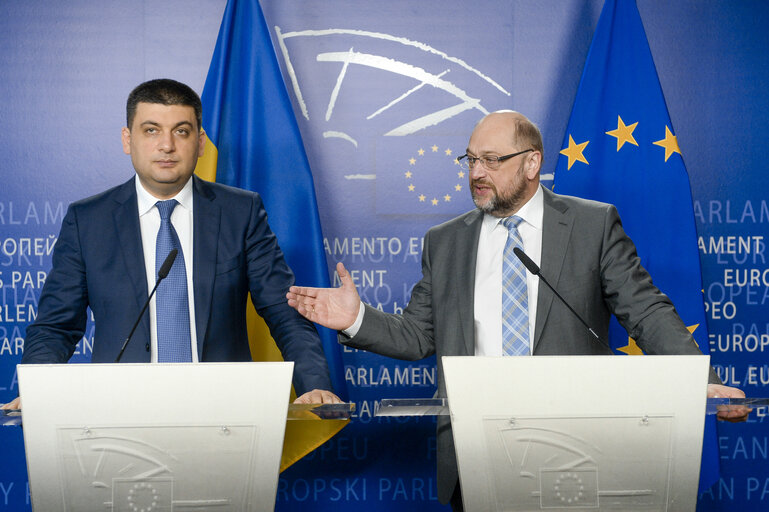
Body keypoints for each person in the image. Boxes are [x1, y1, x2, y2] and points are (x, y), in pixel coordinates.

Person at [286, 111, 748, 510]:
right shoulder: (445, 242)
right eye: (470, 159)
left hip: (575, 447)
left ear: (532, 162)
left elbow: (646, 311)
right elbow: (419, 335)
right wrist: (356, 318)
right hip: (476, 451)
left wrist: (698, 381)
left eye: (492, 160)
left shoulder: (591, 225)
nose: (476, 172)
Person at [2, 78, 339, 410]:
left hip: (225, 412)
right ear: (127, 139)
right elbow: (55, 326)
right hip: (119, 412)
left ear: (201, 142)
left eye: (181, 131)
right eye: (151, 130)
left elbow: (283, 311)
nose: (167, 145)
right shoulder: (88, 220)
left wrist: (315, 385)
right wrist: (38, 389)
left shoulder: (241, 212)